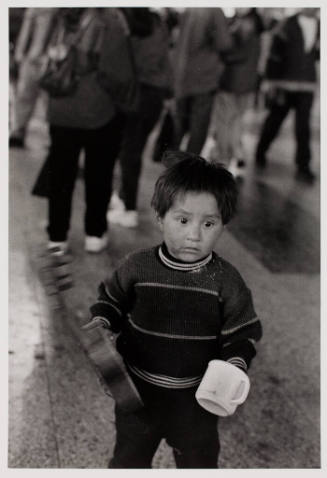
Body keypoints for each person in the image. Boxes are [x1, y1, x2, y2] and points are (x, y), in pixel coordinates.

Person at [83, 151, 263, 468]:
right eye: (182, 220)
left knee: (199, 463)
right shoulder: (136, 267)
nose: (194, 235)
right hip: (137, 395)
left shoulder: (227, 281)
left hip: (196, 402)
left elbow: (243, 332)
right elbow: (109, 300)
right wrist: (102, 324)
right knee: (129, 460)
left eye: (209, 223)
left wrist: (234, 364)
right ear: (160, 218)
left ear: (223, 225)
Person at [45, 8, 126, 254]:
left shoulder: (60, 14)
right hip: (99, 110)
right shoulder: (110, 19)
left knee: (60, 174)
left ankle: (57, 238)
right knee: (99, 174)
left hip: (60, 108)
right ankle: (94, 233)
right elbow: (117, 72)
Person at [107, 8, 173, 228]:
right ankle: (124, 196)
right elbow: (165, 59)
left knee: (128, 152)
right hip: (155, 94)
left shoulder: (124, 21)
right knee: (135, 147)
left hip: (134, 93)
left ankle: (129, 208)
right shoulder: (158, 22)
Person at [255, 8, 320, 184]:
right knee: (275, 120)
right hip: (284, 83)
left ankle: (303, 166)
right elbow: (274, 55)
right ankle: (261, 151)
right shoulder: (287, 24)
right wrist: (270, 81)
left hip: (307, 83)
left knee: (303, 126)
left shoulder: (321, 26)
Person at [206, 8, 264, 177]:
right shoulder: (257, 38)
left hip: (231, 84)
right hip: (246, 86)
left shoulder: (243, 37)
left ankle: (223, 156)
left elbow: (233, 55)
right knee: (235, 121)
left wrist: (220, 52)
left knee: (225, 121)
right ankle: (232, 154)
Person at [173, 8, 233, 155]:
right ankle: (189, 167)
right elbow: (224, 43)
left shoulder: (189, 9)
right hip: (203, 76)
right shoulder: (214, 11)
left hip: (182, 73)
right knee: (198, 126)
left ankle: (173, 162)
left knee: (180, 123)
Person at [9, 8, 59, 148]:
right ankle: (19, 130)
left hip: (51, 59)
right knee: (24, 94)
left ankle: (52, 135)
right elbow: (26, 32)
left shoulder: (60, 11)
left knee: (49, 98)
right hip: (31, 57)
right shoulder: (33, 9)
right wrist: (19, 54)